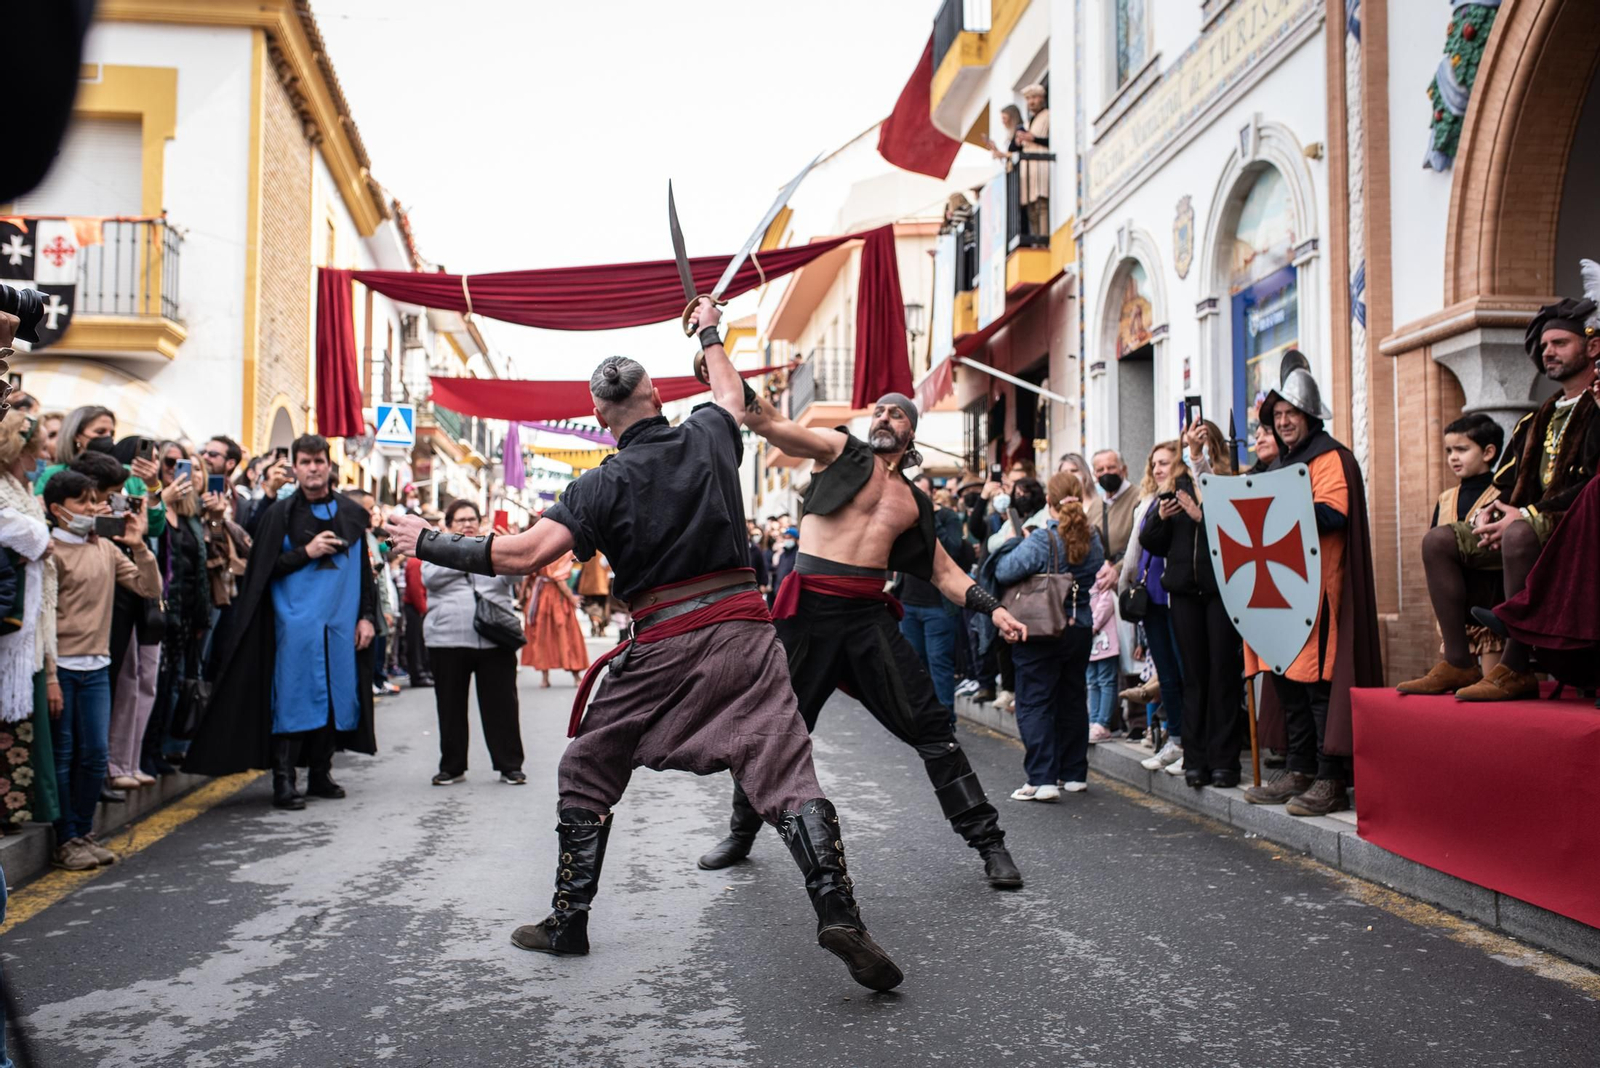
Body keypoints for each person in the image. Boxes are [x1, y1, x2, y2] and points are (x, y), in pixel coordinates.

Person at [384, 302, 903, 991]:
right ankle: (839, 911)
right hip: (748, 636)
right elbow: (727, 393)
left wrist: (427, 540)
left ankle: (569, 921)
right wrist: (709, 329)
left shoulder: (601, 484)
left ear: (600, 416)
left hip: (664, 646)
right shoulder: (711, 431)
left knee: (590, 766)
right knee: (785, 772)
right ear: (657, 393)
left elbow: (525, 554)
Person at [698, 385, 1028, 890]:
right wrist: (711, 339)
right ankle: (740, 833)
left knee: (933, 731)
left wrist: (994, 607)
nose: (883, 416)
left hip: (866, 620)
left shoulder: (915, 503)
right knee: (769, 731)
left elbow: (944, 572)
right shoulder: (839, 451)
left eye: (896, 413)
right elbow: (765, 420)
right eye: (878, 410)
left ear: (909, 431)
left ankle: (990, 845)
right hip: (807, 615)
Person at [1401, 296, 1600, 700]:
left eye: (1560, 343)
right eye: (1545, 346)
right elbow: (1509, 484)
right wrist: (1493, 511)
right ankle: (1458, 661)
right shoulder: (1534, 418)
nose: (1549, 352)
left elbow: (1594, 483)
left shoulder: (1597, 408)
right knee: (1439, 541)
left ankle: (1515, 666)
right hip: (1525, 519)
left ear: (1592, 347)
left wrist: (1523, 514)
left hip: (1573, 523)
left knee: (1518, 534)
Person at [184, 434, 378, 810]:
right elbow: (262, 569)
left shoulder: (352, 514)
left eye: (318, 461)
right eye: (305, 462)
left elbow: (364, 576)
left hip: (339, 620)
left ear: (328, 464)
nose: (313, 468)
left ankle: (320, 773)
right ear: (296, 466)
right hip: (295, 623)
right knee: (293, 698)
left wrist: (367, 617)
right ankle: (284, 779)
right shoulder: (280, 514)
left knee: (338, 698)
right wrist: (306, 552)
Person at [1242, 353, 1383, 816]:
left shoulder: (1329, 458)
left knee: (1319, 686)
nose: (1283, 423)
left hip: (1319, 591)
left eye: (1290, 415)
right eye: (1276, 416)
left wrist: (1285, 499)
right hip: (1279, 589)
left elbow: (1333, 515)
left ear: (1308, 416)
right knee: (1287, 683)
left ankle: (1330, 778)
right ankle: (1300, 768)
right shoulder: (1281, 463)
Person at [43, 469, 160, 870]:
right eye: (83, 502)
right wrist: (51, 676)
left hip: (96, 667)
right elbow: (42, 619)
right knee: (64, 755)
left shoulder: (107, 549)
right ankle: (66, 839)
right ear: (56, 509)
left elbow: (150, 589)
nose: (93, 509)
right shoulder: (48, 551)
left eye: (96, 501)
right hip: (60, 667)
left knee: (95, 754)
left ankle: (82, 830)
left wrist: (139, 546)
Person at [1143, 419, 1243, 788]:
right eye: (1190, 446)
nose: (1193, 451)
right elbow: (1151, 542)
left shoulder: (1231, 481)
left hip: (1221, 590)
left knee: (1223, 675)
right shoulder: (1176, 486)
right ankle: (1195, 760)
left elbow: (1239, 532)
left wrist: (1204, 517)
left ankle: (1225, 762)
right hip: (1184, 591)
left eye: (1201, 444)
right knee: (1194, 677)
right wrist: (1161, 517)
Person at [991, 471, 1103, 800]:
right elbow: (1094, 570)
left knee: (1035, 701)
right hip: (1080, 626)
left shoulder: (1042, 539)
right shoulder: (1093, 537)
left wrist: (1016, 540)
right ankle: (1073, 774)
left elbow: (1005, 570)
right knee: (1072, 699)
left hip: (1041, 627)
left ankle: (1041, 779)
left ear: (1048, 502)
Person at [423, 499, 525, 787]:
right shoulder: (434, 548)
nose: (467, 524)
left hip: (496, 638)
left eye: (472, 519)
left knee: (503, 704)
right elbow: (430, 579)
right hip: (447, 638)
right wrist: (467, 553)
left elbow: (516, 575)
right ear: (448, 525)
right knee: (450, 705)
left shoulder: (495, 547)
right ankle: (452, 767)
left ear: (480, 522)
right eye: (460, 520)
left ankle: (510, 766)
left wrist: (508, 547)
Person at [0, 410, 61, 833]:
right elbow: (18, 531)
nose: (42, 456)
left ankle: (13, 810)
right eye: (37, 449)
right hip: (9, 622)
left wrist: (35, 541)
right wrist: (36, 540)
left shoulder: (23, 487)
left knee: (21, 719)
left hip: (31, 623)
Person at [1118, 442, 1186, 756]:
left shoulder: (1185, 498)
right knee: (1166, 673)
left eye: (1165, 463)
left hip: (1177, 595)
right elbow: (1135, 551)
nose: (1158, 469)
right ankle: (1174, 739)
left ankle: (1187, 739)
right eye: (1154, 463)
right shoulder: (1145, 502)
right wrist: (1124, 585)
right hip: (1151, 597)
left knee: (1183, 670)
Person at [897, 477, 972, 716]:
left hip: (938, 605)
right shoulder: (905, 518)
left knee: (940, 664)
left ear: (931, 494)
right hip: (909, 603)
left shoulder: (947, 517)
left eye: (921, 492)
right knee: (916, 665)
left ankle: (945, 722)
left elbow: (953, 549)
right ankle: (923, 720)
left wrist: (929, 518)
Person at [521, 548, 589, 687]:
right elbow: (559, 579)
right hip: (556, 598)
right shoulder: (560, 550)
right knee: (568, 635)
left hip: (540, 597)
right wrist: (572, 598)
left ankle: (545, 679)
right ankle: (576, 676)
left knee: (542, 636)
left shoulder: (537, 549)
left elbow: (528, 576)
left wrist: (523, 596)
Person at [1016, 84, 1051, 238]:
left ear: (1042, 98)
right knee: (1031, 210)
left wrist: (1034, 139)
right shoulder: (1027, 123)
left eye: (1034, 98)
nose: (1031, 102)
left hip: (1041, 167)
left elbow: (1054, 140)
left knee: (1041, 206)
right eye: (1028, 98)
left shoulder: (1048, 115)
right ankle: (1037, 241)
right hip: (1029, 172)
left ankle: (1043, 237)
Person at [402, 550, 432, 685]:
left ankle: (423, 671)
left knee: (420, 642)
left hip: (418, 606)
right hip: (415, 607)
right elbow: (415, 589)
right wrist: (423, 609)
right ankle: (418, 674)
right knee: (416, 643)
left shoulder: (420, 560)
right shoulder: (415, 561)